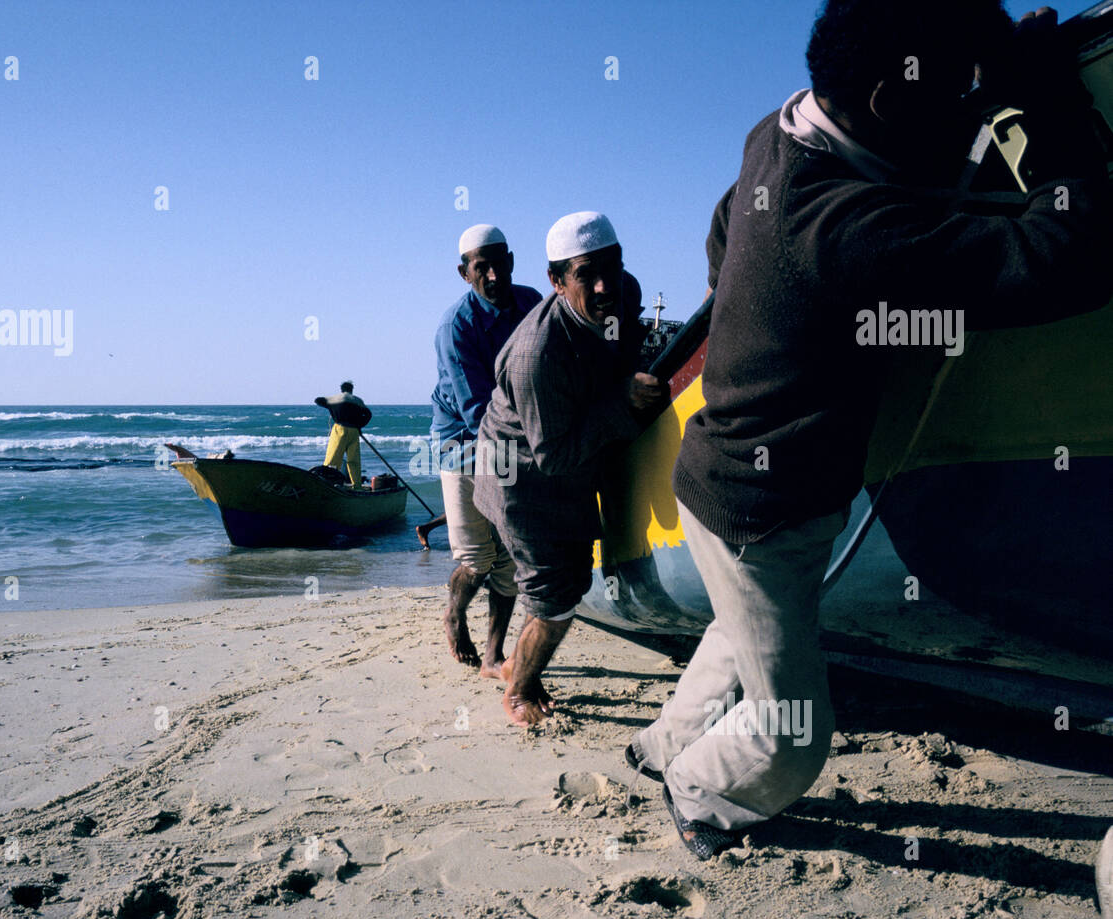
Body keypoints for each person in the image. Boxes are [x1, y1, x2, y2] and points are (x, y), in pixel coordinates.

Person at [630, 0, 1113, 860]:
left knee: (740, 633)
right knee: (792, 735)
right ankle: (699, 790)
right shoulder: (843, 235)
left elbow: (720, 228)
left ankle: (659, 744)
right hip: (762, 514)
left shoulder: (774, 134)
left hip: (727, 483)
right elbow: (1067, 254)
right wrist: (1040, 99)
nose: (968, 102)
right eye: (956, 86)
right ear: (890, 100)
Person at [474, 212, 669, 726]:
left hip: (565, 450)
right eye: (586, 274)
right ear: (557, 283)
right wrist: (620, 402)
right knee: (557, 591)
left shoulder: (622, 291)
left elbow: (621, 346)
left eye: (612, 267)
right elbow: (554, 456)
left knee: (570, 572)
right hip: (519, 470)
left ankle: (514, 660)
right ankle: (518, 688)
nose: (605, 285)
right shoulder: (538, 354)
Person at [430, 225, 542, 676]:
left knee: (511, 560)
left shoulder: (533, 303)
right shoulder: (455, 328)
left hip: (515, 438)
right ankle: (455, 614)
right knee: (476, 559)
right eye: (482, 267)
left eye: (501, 263)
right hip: (462, 442)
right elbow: (477, 410)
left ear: (513, 260)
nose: (494, 275)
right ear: (464, 273)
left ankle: (494, 655)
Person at [316, 381, 367, 486]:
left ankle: (328, 483)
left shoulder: (336, 399)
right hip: (354, 431)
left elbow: (318, 400)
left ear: (342, 389)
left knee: (333, 458)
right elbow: (368, 414)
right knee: (354, 461)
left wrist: (331, 406)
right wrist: (359, 425)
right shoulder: (358, 400)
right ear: (352, 389)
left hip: (340, 430)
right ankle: (357, 485)